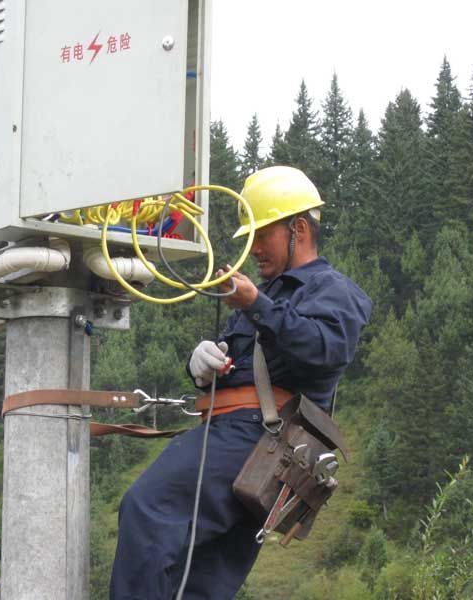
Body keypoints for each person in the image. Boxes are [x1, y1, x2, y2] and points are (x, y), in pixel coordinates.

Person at [109, 166, 373, 600]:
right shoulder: (266, 294)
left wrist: (256, 305)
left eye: (261, 236)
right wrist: (202, 367)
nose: (255, 250)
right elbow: (242, 365)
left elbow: (325, 349)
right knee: (200, 580)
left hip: (262, 438)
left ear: (298, 229)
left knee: (149, 511)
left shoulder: (333, 290)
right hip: (244, 441)